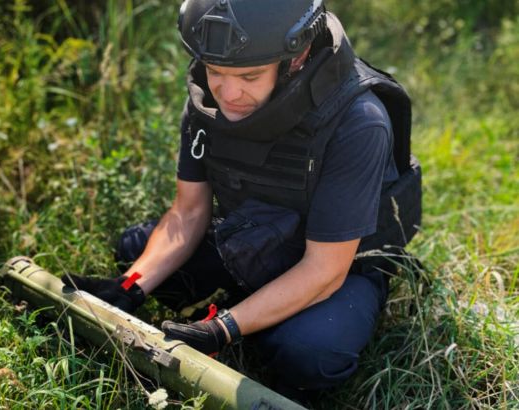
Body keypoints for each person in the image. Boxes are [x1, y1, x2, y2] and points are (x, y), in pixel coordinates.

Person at [62, 0, 422, 399]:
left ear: (297, 57)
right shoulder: (208, 98)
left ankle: (263, 321)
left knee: (308, 353)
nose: (229, 93)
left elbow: (325, 269)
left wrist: (222, 328)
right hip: (254, 237)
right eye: (216, 72)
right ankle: (252, 307)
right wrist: (129, 287)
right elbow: (189, 212)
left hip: (338, 266)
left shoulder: (357, 121)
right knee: (133, 253)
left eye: (250, 76)